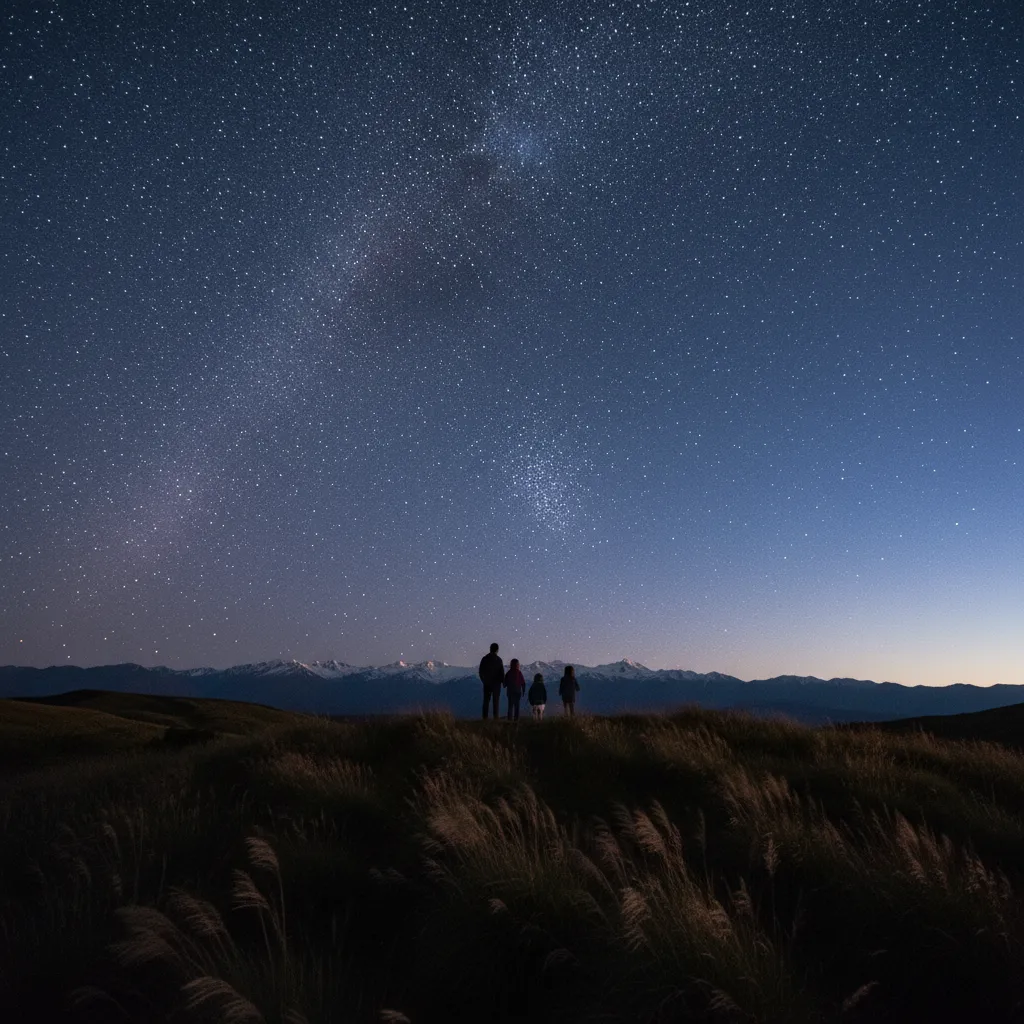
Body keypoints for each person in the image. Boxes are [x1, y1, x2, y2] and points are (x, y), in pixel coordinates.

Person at [479, 642, 504, 719]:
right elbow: (502, 673)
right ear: (497, 650)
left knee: (486, 701)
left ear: (490, 649)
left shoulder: (484, 659)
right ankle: (496, 718)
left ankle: (485, 718)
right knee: (496, 702)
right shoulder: (499, 660)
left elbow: (481, 671)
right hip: (496, 684)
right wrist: (502, 682)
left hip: (487, 683)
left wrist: (483, 680)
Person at [504, 658, 526, 722]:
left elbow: (504, 684)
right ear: (517, 665)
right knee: (517, 706)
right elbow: (523, 683)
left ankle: (509, 720)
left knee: (510, 706)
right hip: (518, 692)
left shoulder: (508, 673)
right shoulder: (519, 673)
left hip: (510, 692)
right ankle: (516, 720)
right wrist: (523, 691)